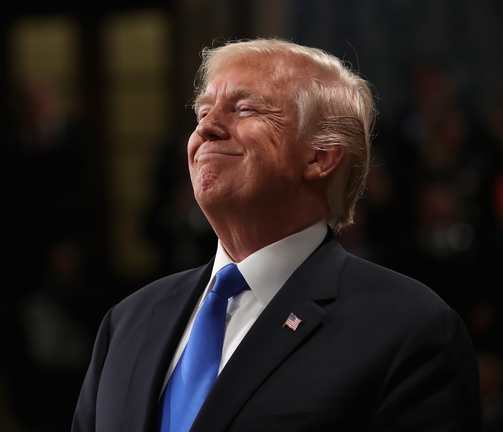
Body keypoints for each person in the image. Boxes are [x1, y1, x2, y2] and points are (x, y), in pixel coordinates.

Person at [71, 39, 481, 432]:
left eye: (244, 109)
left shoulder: (409, 329)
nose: (207, 129)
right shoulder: (128, 322)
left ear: (320, 156)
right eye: (202, 112)